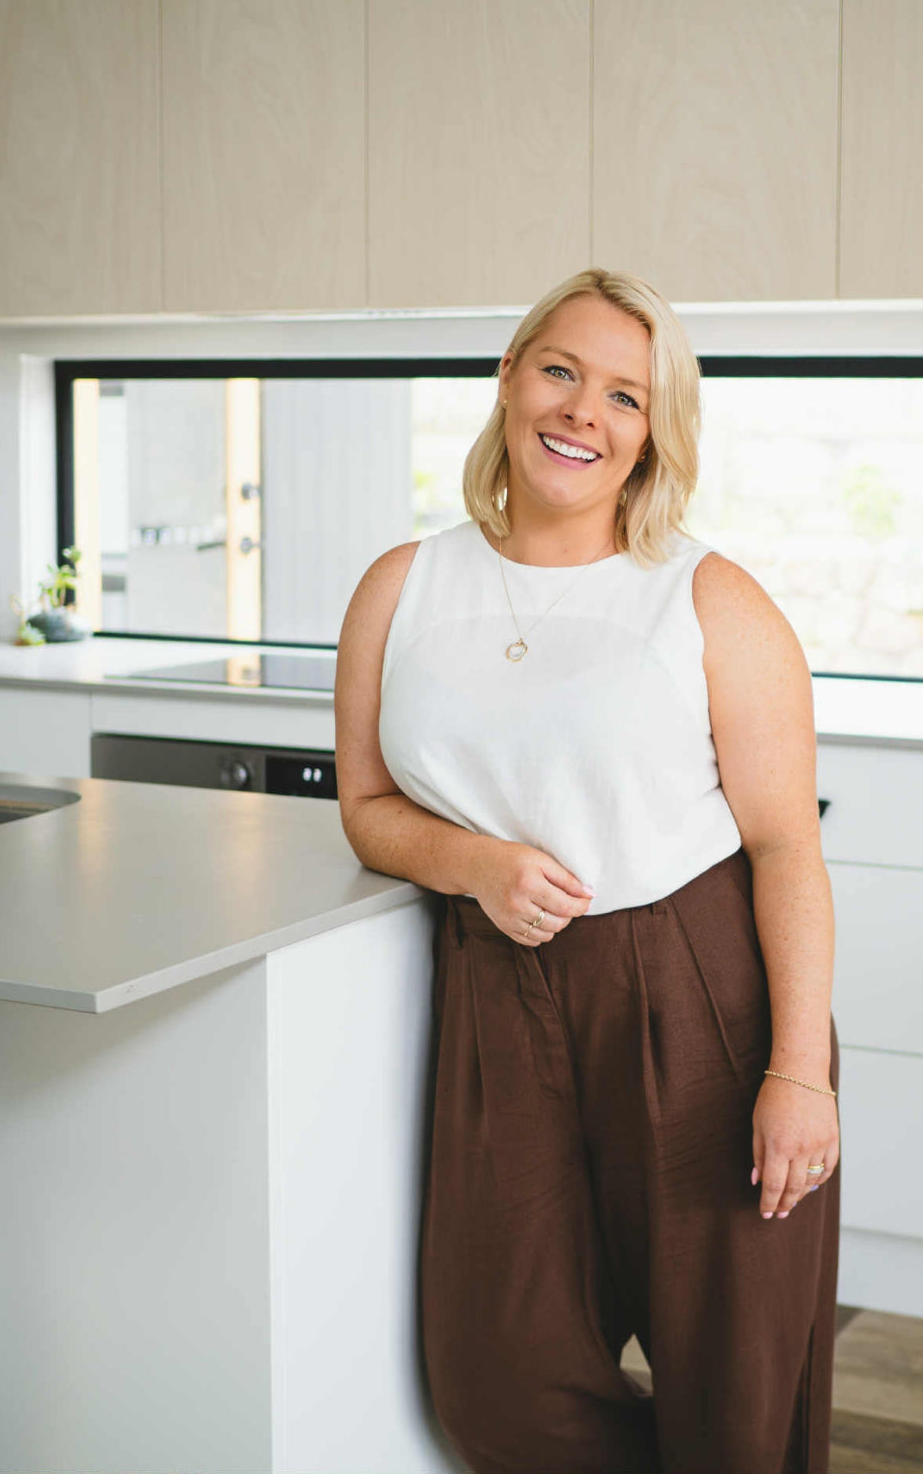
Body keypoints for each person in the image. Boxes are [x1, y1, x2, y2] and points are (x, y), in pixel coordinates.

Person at [334, 267, 841, 1474]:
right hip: (498, 996)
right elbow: (365, 807)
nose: (583, 412)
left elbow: (786, 848)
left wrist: (800, 1074)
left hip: (696, 986)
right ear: (510, 378)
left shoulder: (708, 599)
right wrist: (473, 863)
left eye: (627, 394)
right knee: (495, 1377)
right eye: (561, 370)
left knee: (734, 1383)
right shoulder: (402, 587)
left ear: (656, 432)